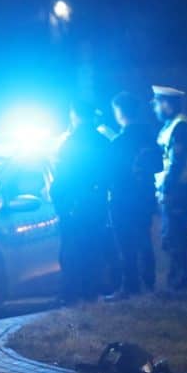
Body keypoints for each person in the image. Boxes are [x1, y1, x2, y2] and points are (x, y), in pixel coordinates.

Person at [51, 100, 111, 304]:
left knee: (71, 250)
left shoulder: (69, 143)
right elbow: (108, 176)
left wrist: (59, 203)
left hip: (73, 205)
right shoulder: (102, 141)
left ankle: (70, 293)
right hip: (96, 205)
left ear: (74, 115)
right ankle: (90, 291)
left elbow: (62, 178)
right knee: (94, 248)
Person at [106, 91, 163, 299]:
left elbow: (110, 173)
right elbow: (158, 165)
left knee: (125, 245)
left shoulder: (119, 142)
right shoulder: (149, 137)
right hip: (144, 197)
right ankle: (149, 283)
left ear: (119, 112)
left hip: (123, 199)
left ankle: (129, 286)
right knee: (144, 240)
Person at [152, 85, 187, 291]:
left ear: (166, 104)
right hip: (176, 187)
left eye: (156, 104)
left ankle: (180, 282)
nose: (154, 109)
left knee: (175, 235)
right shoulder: (171, 125)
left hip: (179, 188)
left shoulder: (180, 126)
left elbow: (176, 162)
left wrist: (167, 189)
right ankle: (177, 280)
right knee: (171, 235)